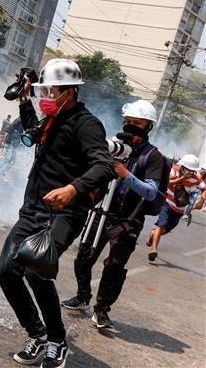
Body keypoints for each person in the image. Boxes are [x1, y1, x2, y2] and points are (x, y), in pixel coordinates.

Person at [0, 58, 113, 368]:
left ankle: (57, 341)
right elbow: (33, 129)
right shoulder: (53, 119)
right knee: (7, 271)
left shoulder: (86, 124)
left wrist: (72, 188)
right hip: (33, 209)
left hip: (64, 213)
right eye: (43, 90)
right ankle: (37, 334)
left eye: (51, 90)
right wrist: (24, 98)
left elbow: (104, 166)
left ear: (70, 92)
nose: (45, 96)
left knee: (36, 270)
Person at [61, 100, 164, 330]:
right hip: (102, 211)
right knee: (84, 255)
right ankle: (83, 295)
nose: (131, 128)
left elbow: (151, 192)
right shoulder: (114, 146)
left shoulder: (153, 156)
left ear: (148, 126)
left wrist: (126, 174)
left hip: (128, 219)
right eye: (128, 122)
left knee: (115, 265)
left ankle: (102, 310)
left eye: (137, 123)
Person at [146, 154, 204, 260]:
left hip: (180, 209)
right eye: (188, 170)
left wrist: (202, 200)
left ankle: (153, 234)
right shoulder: (174, 171)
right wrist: (181, 179)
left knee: (166, 230)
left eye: (192, 171)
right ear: (182, 166)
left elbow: (204, 188)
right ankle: (153, 250)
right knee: (161, 225)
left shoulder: (196, 179)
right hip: (167, 203)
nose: (190, 173)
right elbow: (167, 183)